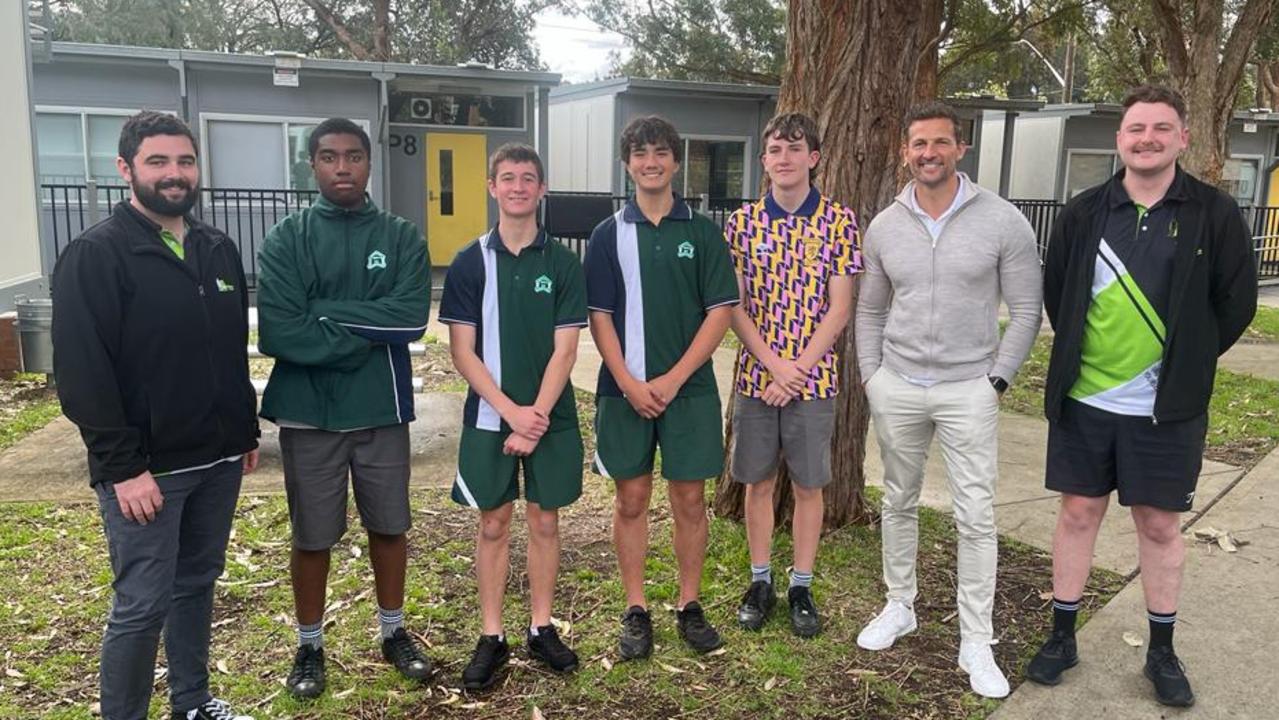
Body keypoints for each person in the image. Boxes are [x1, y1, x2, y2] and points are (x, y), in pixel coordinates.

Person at [1025, 85, 1257, 708]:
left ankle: (1161, 651)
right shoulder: (1084, 212)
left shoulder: (1212, 212)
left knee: (1158, 526)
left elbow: (1235, 304)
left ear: (1183, 138)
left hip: (1165, 410)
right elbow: (1059, 293)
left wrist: (1185, 363)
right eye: (1135, 129)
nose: (1147, 138)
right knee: (1077, 515)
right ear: (1120, 139)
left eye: (1161, 128)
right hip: (1085, 402)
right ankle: (1062, 636)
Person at [51, 111, 260, 720]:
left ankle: (191, 704)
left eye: (185, 161)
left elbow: (227, 350)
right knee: (141, 606)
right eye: (158, 162)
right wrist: (124, 469)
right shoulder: (97, 255)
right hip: (149, 474)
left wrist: (242, 430)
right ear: (126, 169)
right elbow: (83, 376)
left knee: (196, 587)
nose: (175, 174)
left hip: (219, 460)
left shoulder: (216, 248)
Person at [854, 101, 1043, 699]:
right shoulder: (884, 225)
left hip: (970, 389)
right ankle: (899, 605)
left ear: (960, 149)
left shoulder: (1004, 221)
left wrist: (998, 380)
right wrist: (871, 376)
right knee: (899, 499)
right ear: (905, 152)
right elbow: (870, 308)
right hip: (899, 385)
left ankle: (976, 639)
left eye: (939, 143)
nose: (928, 153)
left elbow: (1026, 310)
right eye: (918, 144)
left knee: (976, 515)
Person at [256, 117, 432, 699]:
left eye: (353, 156)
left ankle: (394, 631)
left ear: (368, 162)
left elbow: (410, 320)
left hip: (381, 409)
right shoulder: (288, 238)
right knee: (313, 536)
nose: (342, 168)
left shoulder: (401, 236)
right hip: (309, 415)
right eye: (329, 157)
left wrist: (324, 315)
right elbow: (280, 331)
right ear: (313, 165)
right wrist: (365, 328)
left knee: (390, 526)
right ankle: (309, 645)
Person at [584, 115, 739, 659]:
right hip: (622, 390)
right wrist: (628, 381)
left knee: (690, 499)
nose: (650, 162)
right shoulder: (607, 235)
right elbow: (599, 315)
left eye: (660, 153)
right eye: (640, 153)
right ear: (627, 163)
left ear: (675, 161)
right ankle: (635, 608)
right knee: (630, 498)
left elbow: (721, 311)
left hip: (689, 391)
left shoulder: (701, 231)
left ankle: (690, 605)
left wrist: (672, 380)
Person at [439, 143, 587, 690]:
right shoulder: (469, 261)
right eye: (508, 178)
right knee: (494, 522)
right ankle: (492, 635)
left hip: (550, 417)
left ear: (542, 189)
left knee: (545, 520)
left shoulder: (563, 262)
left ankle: (541, 627)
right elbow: (461, 351)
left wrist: (536, 416)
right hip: (489, 417)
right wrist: (510, 414)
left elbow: (566, 350)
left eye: (529, 178)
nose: (519, 186)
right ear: (492, 187)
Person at [725, 112, 860, 638]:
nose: (784, 159)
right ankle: (760, 581)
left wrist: (798, 369)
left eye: (794, 149)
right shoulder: (742, 224)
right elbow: (733, 306)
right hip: (757, 376)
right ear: (764, 161)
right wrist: (774, 365)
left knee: (808, 483)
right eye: (775, 151)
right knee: (757, 481)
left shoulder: (838, 221)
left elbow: (841, 307)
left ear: (814, 157)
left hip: (814, 379)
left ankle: (801, 585)